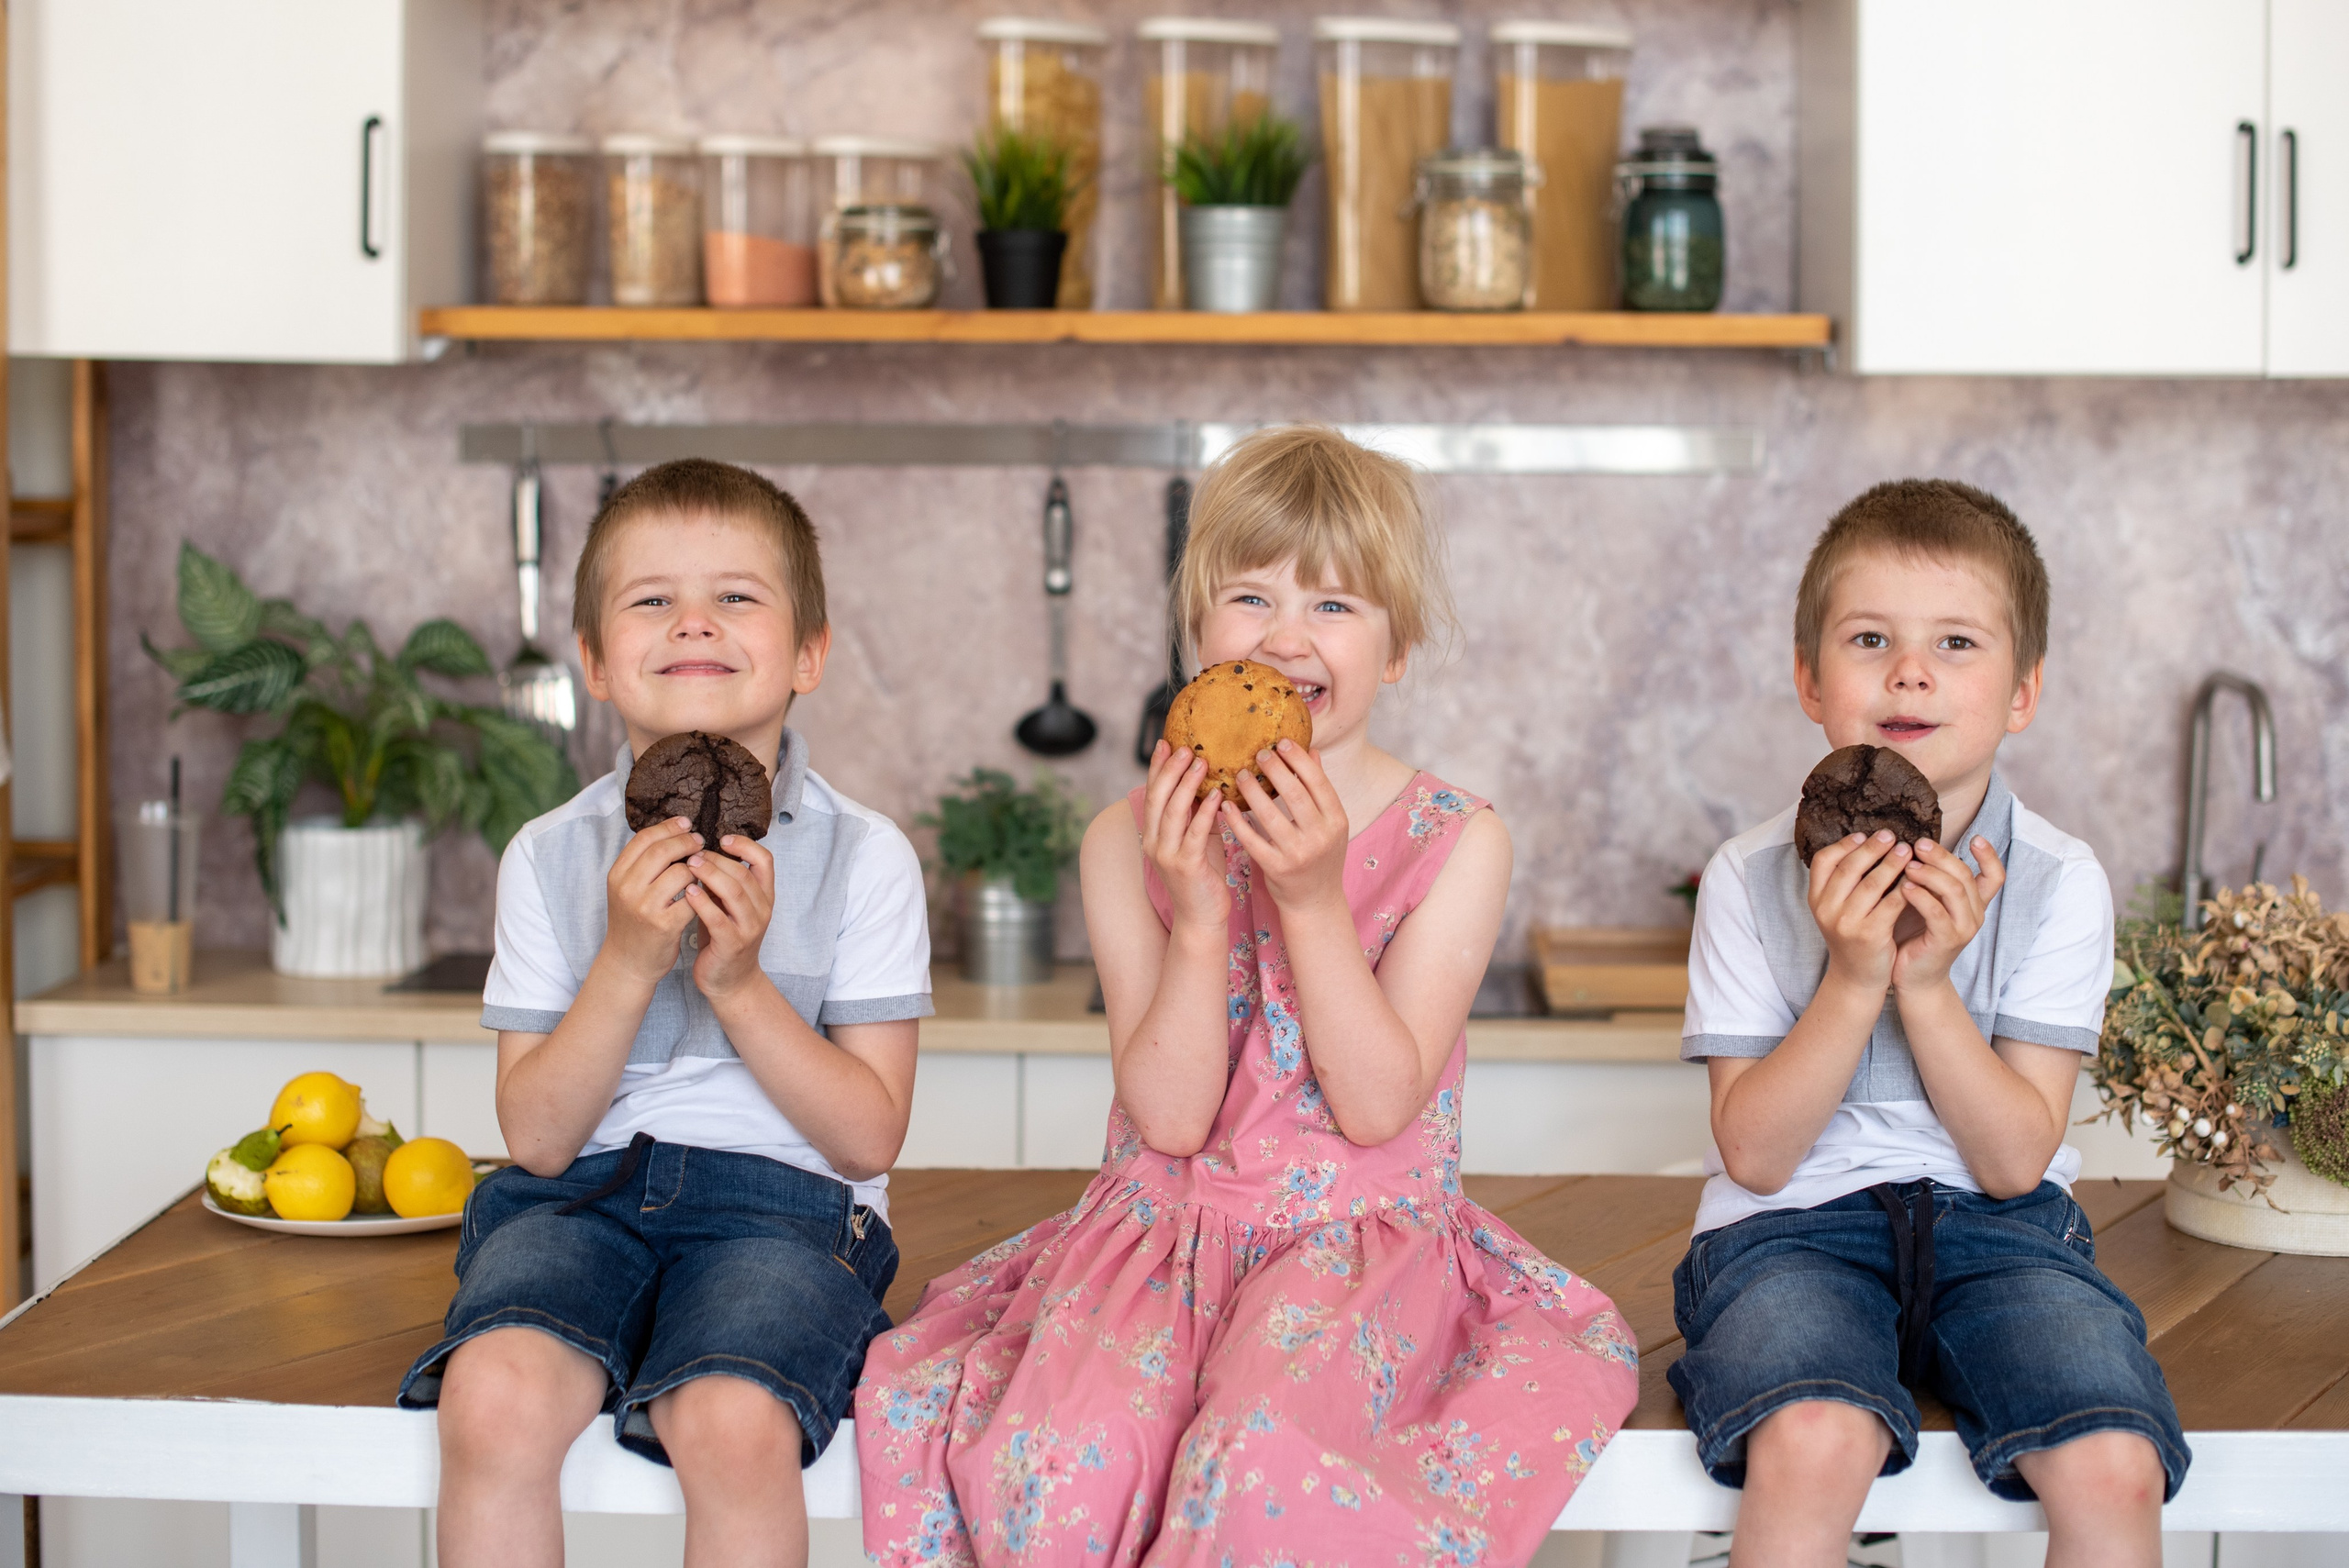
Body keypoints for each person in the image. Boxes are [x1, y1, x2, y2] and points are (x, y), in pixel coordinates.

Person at [856, 425, 1638, 1568]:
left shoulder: (1458, 841)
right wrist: (1204, 906)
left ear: (1399, 648)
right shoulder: (1124, 839)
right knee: (1063, 1459)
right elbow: (1171, 1120)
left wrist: (1311, 900)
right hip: (1153, 1242)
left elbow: (1377, 1105)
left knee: (1259, 1465)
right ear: (1198, 636)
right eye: (1250, 598)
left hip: (1363, 1250)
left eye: (1335, 606)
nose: (1284, 637)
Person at [398, 459, 931, 1568]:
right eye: (651, 599)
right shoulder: (548, 855)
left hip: (785, 1211)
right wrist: (630, 962)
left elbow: (868, 1135)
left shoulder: (867, 856)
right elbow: (539, 1136)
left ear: (808, 652)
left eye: (737, 595)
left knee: (732, 1424)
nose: (694, 619)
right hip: (578, 1200)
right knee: (491, 1399)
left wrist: (736, 985)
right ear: (595, 660)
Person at [1672, 480, 2188, 1567]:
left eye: (1955, 640)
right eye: (1870, 638)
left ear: (2021, 691)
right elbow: (1756, 1155)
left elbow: (2011, 1160)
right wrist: (1852, 978)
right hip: (1789, 1234)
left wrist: (1927, 985)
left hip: (2002, 1240)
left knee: (2112, 1462)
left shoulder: (2059, 880)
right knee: (1813, 1434)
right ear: (1810, 679)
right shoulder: (1745, 877)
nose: (1910, 670)